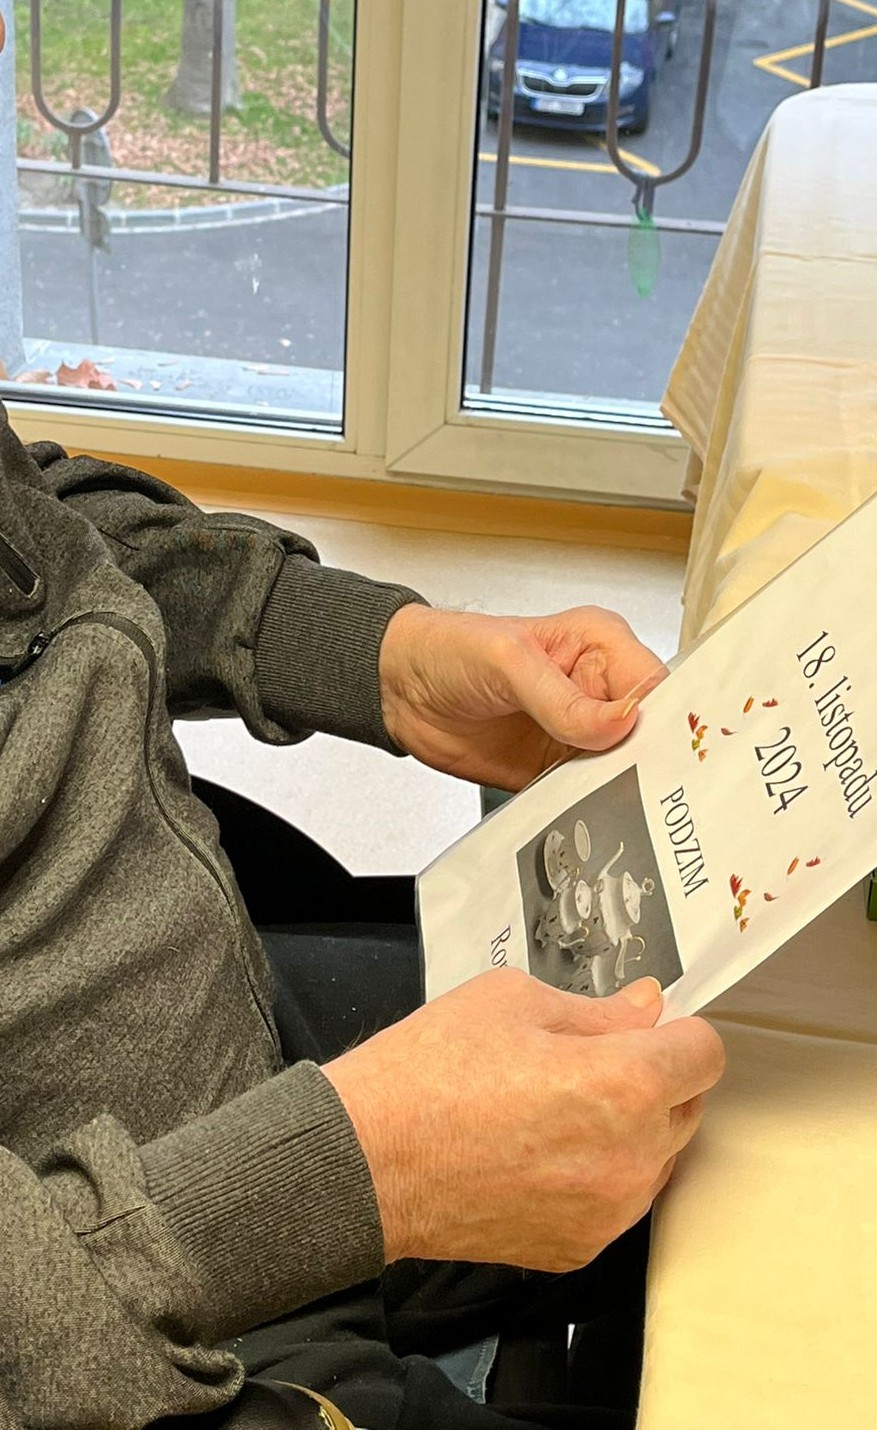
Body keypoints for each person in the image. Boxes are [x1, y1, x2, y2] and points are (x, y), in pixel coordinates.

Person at [0, 365, 726, 1430]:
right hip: (104, 1316)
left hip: (230, 1033)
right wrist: (349, 1174)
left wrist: (378, 653)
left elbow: (31, 517)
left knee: (771, 1095)